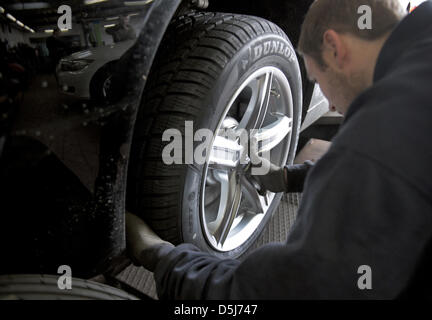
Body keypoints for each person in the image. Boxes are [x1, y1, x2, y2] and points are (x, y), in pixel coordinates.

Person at [126, 0, 432, 299]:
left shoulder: (377, 139)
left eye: (316, 78)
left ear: (335, 48)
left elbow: (290, 290)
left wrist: (163, 258)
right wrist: (290, 177)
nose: (333, 105)